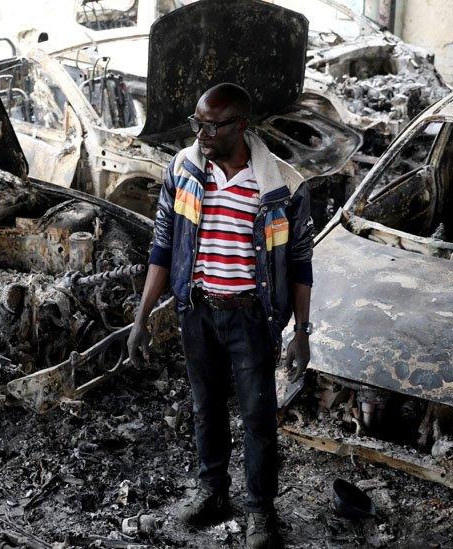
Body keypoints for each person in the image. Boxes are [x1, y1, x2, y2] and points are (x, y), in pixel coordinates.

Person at [127, 82, 313, 549]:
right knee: (204, 407)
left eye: (213, 126)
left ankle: (259, 511)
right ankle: (213, 493)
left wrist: (302, 332)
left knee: (257, 415)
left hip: (251, 318)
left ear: (241, 126)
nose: (203, 133)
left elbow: (300, 263)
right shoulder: (184, 168)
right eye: (198, 123)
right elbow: (163, 244)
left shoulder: (283, 185)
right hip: (198, 310)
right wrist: (142, 316)